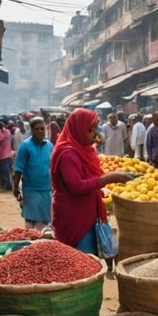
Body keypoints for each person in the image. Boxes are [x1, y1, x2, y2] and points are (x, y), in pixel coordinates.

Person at [50, 109, 132, 254]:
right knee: (80, 259)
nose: (95, 133)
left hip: (87, 213)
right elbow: (76, 186)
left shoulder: (84, 150)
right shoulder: (67, 154)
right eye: (90, 129)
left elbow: (89, 177)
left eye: (96, 127)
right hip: (74, 216)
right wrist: (108, 179)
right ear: (79, 129)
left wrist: (99, 191)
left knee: (90, 260)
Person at [13, 117, 54, 230]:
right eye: (37, 129)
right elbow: (18, 169)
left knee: (46, 220)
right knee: (32, 221)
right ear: (32, 130)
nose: (40, 131)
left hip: (46, 189)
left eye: (42, 128)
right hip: (31, 190)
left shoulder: (49, 146)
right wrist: (15, 187)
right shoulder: (25, 146)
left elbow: (53, 167)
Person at [0, 118, 13, 190]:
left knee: (2, 173)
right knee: (8, 172)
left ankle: (5, 185)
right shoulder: (8, 132)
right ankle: (9, 185)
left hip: (1, 156)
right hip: (8, 156)